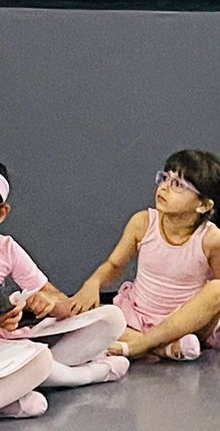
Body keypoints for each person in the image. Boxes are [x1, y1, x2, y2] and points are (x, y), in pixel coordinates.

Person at [70, 150, 220, 361]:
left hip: (185, 324)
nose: (164, 187)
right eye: (165, 178)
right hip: (137, 317)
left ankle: (139, 345)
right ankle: (163, 348)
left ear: (203, 205)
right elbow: (114, 265)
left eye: (177, 184)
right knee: (91, 317)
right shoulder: (142, 222)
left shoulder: (212, 239)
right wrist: (93, 283)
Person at [0, 161, 130, 416]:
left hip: (11, 349)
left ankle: (16, 391)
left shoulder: (7, 249)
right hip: (14, 354)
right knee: (39, 363)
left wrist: (43, 304)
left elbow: (62, 305)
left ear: (2, 213)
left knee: (111, 318)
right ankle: (85, 375)